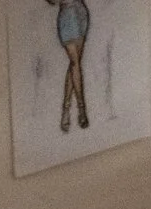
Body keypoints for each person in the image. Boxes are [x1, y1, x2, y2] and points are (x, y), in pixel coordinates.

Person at [48, 0, 90, 132]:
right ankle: (81, 109)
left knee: (74, 65)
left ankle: (66, 110)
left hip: (81, 12)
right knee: (74, 63)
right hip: (66, 15)